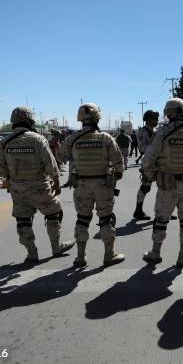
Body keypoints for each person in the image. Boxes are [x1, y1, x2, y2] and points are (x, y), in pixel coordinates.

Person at [0, 107, 74, 263]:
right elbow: (51, 164)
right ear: (30, 121)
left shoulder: (4, 142)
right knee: (53, 213)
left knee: (22, 220)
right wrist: (56, 183)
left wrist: (10, 178)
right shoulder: (38, 139)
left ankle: (31, 253)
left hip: (18, 189)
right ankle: (56, 247)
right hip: (40, 186)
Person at [140, 98, 183, 268]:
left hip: (167, 184)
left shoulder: (161, 134)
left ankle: (155, 252)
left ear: (168, 113)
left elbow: (147, 162)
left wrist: (154, 176)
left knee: (161, 219)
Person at [58, 103, 125, 267]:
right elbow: (119, 165)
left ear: (80, 119)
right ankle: (109, 255)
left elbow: (59, 157)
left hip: (81, 184)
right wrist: (115, 176)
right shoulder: (106, 138)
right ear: (97, 118)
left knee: (82, 219)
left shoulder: (72, 138)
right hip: (103, 184)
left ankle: (80, 257)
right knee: (105, 220)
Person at [133, 110, 160, 220]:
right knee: (145, 187)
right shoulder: (142, 132)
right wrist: (154, 143)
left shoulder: (156, 132)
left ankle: (163, 211)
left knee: (164, 187)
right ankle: (138, 211)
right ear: (149, 120)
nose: (156, 121)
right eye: (155, 119)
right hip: (149, 162)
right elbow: (142, 148)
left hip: (159, 162)